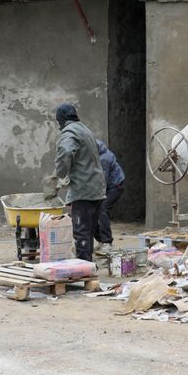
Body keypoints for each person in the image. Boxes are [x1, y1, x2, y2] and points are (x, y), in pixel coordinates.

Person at [52, 103, 106, 262]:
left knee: (82, 232)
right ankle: (88, 265)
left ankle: (84, 269)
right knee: (88, 231)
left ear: (61, 120)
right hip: (97, 188)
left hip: (84, 190)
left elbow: (66, 152)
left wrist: (60, 175)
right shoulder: (85, 130)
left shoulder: (70, 132)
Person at [95, 139, 125, 253]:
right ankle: (101, 240)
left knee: (102, 209)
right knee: (93, 211)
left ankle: (107, 242)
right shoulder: (96, 152)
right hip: (106, 186)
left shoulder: (104, 159)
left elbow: (103, 180)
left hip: (115, 187)